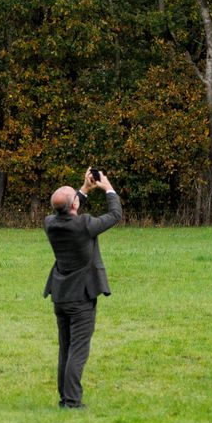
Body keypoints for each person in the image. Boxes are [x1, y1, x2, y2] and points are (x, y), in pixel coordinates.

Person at [42, 168, 121, 409]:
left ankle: (64, 398)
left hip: (60, 295)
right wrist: (107, 187)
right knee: (78, 351)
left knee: (65, 349)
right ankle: (72, 402)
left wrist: (85, 189)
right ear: (75, 205)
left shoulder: (50, 223)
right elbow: (115, 214)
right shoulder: (85, 225)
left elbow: (67, 209)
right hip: (81, 299)